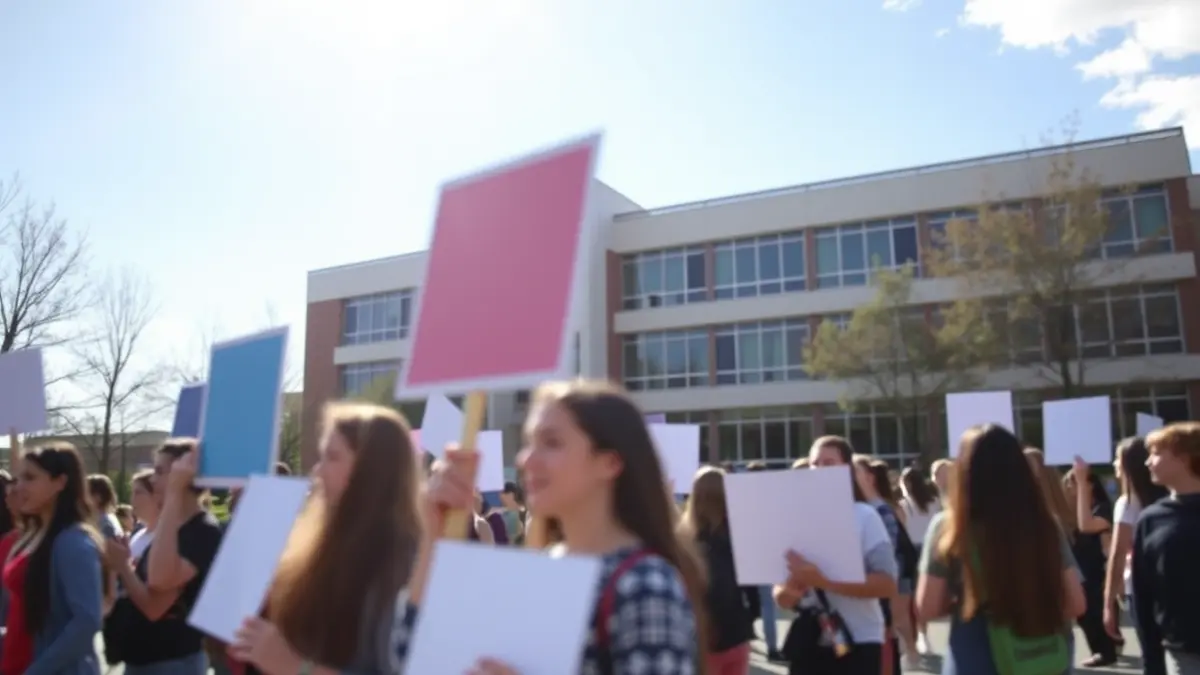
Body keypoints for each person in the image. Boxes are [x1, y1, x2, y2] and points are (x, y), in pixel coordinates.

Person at [402, 380, 706, 673]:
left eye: (552, 443)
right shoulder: (542, 568)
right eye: (529, 443)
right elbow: (410, 658)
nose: (526, 459)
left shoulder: (644, 583)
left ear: (609, 463)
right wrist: (432, 536)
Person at [230, 402, 422, 675]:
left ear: (372, 470)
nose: (317, 471)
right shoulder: (317, 542)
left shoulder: (404, 562)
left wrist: (296, 668)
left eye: (332, 457)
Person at [916, 425, 1085, 675]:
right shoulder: (1045, 524)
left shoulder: (949, 527)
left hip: (975, 653)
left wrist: (965, 603)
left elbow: (927, 607)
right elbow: (1076, 604)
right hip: (1044, 655)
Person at [775, 437, 897, 675]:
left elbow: (887, 584)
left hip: (858, 640)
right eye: (814, 464)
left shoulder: (865, 517)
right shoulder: (795, 518)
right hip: (809, 642)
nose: (819, 469)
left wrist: (824, 581)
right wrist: (790, 590)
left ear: (846, 469)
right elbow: (781, 597)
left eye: (829, 463)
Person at [107, 439, 223, 675]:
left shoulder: (202, 530)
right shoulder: (173, 527)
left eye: (160, 471)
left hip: (172, 663)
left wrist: (123, 567)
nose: (152, 479)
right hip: (144, 661)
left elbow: (155, 600)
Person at [12, 443, 107, 675]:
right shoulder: (37, 534)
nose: (18, 487)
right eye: (18, 478)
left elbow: (87, 621)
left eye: (29, 478)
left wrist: (37, 670)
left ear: (60, 482)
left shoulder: (73, 542)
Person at [1131, 422, 1200, 675]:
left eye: (1156, 453)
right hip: (1183, 654)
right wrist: (1152, 661)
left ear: (1184, 458)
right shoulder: (1152, 519)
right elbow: (1143, 594)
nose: (1148, 462)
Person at [680, 466, 754, 675]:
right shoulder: (740, 537)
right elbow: (752, 589)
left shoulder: (684, 541)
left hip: (700, 638)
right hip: (736, 634)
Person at [1103, 437, 1167, 657]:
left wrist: (1108, 603)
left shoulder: (1127, 503)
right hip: (1169, 585)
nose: (1114, 464)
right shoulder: (1166, 497)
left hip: (1140, 588)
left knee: (1152, 655)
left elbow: (1118, 554)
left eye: (1117, 459)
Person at [1065, 456, 1118, 667]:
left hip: (1097, 573)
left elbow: (1087, 526)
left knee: (1093, 612)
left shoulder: (1102, 509)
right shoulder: (1080, 512)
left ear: (1090, 486)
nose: (1070, 487)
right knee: (1086, 615)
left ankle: (1105, 651)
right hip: (1085, 572)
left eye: (1074, 482)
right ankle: (1107, 646)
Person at [899, 467, 939, 654]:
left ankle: (917, 636)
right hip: (932, 547)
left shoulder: (903, 505)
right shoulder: (934, 502)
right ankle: (925, 634)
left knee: (914, 594)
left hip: (913, 549)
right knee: (927, 592)